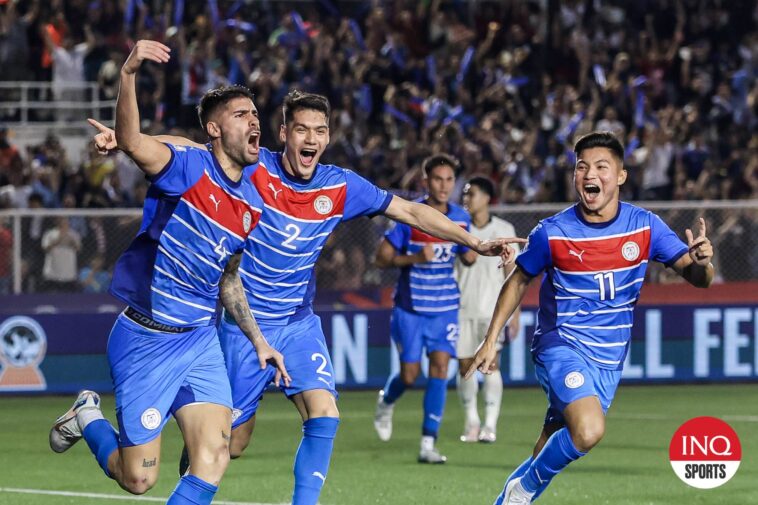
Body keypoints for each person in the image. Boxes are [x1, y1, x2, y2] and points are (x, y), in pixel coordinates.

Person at [90, 90, 524, 504]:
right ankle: (183, 460)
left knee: (325, 415)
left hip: (298, 323)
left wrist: (473, 242)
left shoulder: (341, 186)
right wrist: (131, 143)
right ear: (284, 134)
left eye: (319, 130)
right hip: (246, 327)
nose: (311, 138)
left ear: (329, 137)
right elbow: (193, 147)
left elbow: (410, 210)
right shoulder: (256, 168)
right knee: (232, 445)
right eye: (301, 129)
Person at [49, 40, 288, 505]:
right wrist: (128, 75)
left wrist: (259, 340)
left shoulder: (251, 203)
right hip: (146, 339)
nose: (255, 120)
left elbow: (229, 277)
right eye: (242, 115)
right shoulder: (186, 167)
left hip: (200, 340)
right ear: (215, 129)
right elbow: (138, 142)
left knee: (215, 453)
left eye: (256, 113)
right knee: (137, 479)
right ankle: (87, 416)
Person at [464, 132, 714, 504]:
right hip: (560, 346)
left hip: (608, 360)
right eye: (582, 167)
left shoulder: (645, 227)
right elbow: (518, 281)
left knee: (549, 447)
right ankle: (522, 493)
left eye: (601, 166)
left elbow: (699, 280)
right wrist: (490, 339)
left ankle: (509, 499)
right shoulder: (553, 232)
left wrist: (704, 261)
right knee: (590, 429)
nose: (589, 174)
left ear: (621, 176)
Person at [373, 154, 476, 464]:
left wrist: (472, 254)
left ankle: (428, 442)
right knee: (409, 375)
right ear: (426, 181)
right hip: (410, 308)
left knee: (442, 369)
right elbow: (381, 259)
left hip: (445, 308)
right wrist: (415, 259)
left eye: (449, 180)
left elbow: (466, 253)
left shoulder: (460, 217)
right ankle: (386, 401)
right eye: (438, 179)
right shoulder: (411, 215)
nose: (444, 186)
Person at [455, 176, 521, 444]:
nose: (467, 199)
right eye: (466, 194)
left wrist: (514, 314)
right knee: (464, 367)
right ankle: (472, 421)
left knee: (491, 365)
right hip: (460, 307)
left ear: (486, 199)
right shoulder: (457, 229)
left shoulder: (503, 229)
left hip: (493, 311)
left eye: (472, 194)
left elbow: (514, 273)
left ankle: (490, 425)